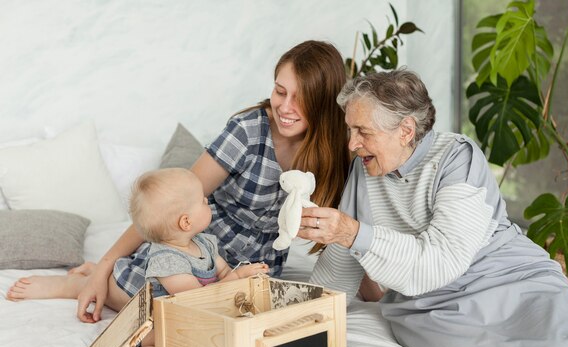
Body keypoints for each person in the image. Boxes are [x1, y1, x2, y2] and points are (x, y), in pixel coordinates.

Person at [298, 70, 568, 347]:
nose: (352, 144)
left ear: (406, 130)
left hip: (510, 279)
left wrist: (353, 233)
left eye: (362, 132)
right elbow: (342, 260)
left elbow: (442, 261)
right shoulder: (365, 170)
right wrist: (300, 313)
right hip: (433, 306)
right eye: (350, 130)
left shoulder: (457, 158)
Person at [7, 40, 351, 325]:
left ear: (323, 104)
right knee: (158, 312)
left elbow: (349, 223)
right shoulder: (248, 132)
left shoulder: (334, 149)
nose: (285, 107)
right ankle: (84, 281)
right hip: (193, 251)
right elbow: (169, 208)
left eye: (300, 99)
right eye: (279, 91)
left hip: (253, 267)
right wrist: (105, 265)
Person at [116, 167, 268, 347]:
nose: (209, 203)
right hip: (163, 326)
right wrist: (237, 276)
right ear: (186, 221)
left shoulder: (204, 243)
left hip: (197, 319)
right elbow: (195, 299)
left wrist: (242, 279)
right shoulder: (166, 261)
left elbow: (224, 273)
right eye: (204, 201)